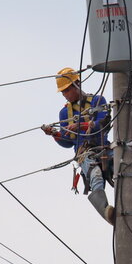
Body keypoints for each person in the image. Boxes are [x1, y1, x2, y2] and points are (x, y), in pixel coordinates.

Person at [41, 67, 115, 225]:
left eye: (67, 90)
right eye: (63, 92)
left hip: (103, 147)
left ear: (77, 84)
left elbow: (103, 124)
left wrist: (81, 125)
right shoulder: (64, 114)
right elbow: (68, 142)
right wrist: (54, 134)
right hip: (84, 153)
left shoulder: (97, 101)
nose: (65, 94)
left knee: (124, 166)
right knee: (95, 174)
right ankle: (106, 211)